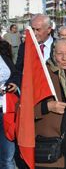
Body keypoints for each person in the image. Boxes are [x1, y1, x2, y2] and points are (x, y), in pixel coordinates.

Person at [34, 38, 66, 169]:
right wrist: (47, 106)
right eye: (60, 54)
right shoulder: (41, 76)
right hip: (50, 144)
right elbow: (22, 109)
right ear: (53, 54)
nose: (64, 58)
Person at [0, 40, 20, 169]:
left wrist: (14, 84)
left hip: (6, 109)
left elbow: (15, 74)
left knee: (7, 156)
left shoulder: (3, 52)